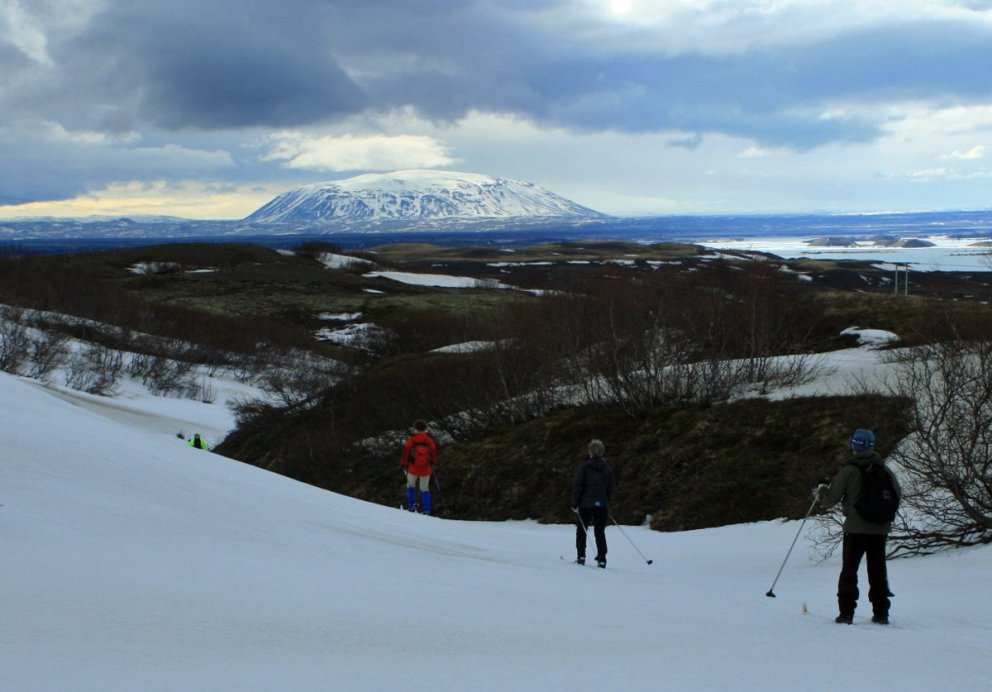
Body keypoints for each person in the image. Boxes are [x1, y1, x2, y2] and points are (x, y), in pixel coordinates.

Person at [816, 428, 901, 625]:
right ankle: (881, 613)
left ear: (853, 445)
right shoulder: (884, 469)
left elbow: (829, 500)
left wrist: (821, 489)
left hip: (855, 527)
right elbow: (896, 493)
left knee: (849, 570)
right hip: (880, 528)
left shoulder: (849, 470)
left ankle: (846, 613)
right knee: (878, 570)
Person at [571, 439, 615, 568]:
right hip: (601, 505)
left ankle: (581, 556)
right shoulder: (607, 469)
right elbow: (611, 487)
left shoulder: (584, 467)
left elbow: (578, 486)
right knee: (600, 532)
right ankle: (602, 558)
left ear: (590, 452)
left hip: (585, 505)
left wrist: (575, 503)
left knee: (582, 530)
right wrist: (607, 500)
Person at [399, 420, 437, 514]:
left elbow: (406, 452)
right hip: (426, 468)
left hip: (413, 468)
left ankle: (411, 507)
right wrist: (432, 463)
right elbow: (433, 452)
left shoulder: (412, 439)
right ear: (425, 428)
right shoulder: (429, 440)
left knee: (410, 486)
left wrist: (403, 463)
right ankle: (426, 510)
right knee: (425, 489)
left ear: (415, 428)